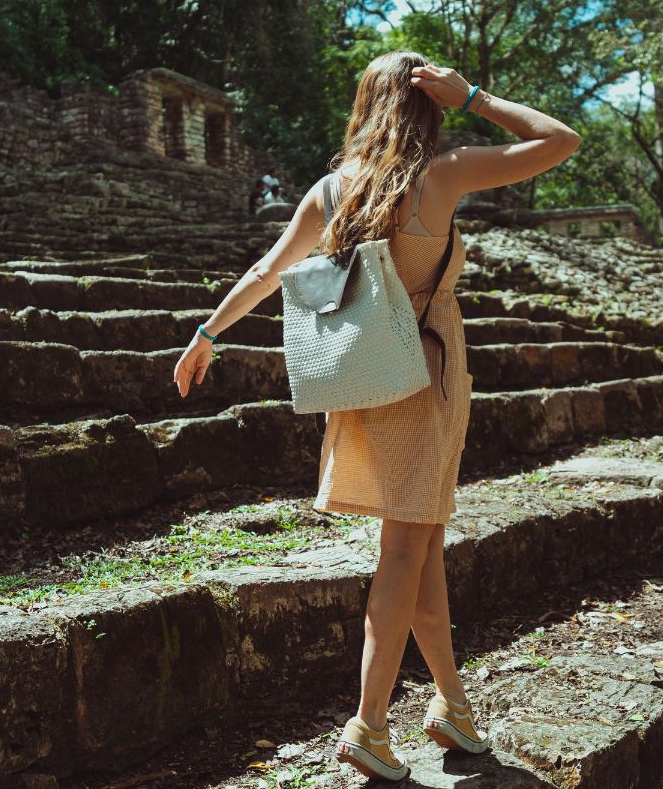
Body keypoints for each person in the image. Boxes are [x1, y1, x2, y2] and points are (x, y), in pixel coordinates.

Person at [170, 51, 580, 782]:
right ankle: (369, 724)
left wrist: (208, 332)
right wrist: (476, 95)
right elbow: (560, 140)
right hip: (423, 382)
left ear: (365, 106)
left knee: (421, 552)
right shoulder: (443, 174)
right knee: (404, 553)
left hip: (365, 382)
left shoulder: (332, 191)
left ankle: (452, 707)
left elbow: (268, 272)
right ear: (427, 106)